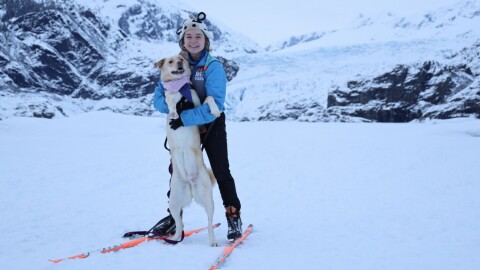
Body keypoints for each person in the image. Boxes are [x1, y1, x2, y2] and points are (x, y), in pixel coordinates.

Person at [151, 12, 243, 241]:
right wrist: (175, 111)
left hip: (211, 124)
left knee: (221, 169)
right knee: (176, 169)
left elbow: (217, 105)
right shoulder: (174, 63)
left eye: (198, 36)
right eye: (188, 36)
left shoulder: (213, 66)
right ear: (183, 40)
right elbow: (158, 100)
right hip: (182, 123)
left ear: (206, 40)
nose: (193, 40)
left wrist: (185, 117)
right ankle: (174, 216)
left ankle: (233, 215)